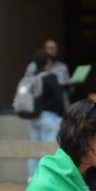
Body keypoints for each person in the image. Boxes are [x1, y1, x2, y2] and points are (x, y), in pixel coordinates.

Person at [24, 51, 66, 179]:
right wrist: (62, 113)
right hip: (49, 117)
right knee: (49, 150)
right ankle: (47, 178)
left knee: (34, 148)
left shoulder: (30, 78)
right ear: (48, 63)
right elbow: (59, 100)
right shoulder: (50, 77)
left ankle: (32, 178)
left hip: (33, 117)